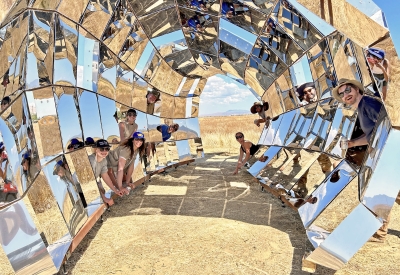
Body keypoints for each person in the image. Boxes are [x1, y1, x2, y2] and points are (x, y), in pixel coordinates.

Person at [89, 139, 124, 205]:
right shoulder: (91, 161)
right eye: (101, 149)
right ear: (96, 150)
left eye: (107, 149)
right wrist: (104, 198)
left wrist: (115, 191)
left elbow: (105, 176)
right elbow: (89, 184)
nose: (104, 151)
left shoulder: (104, 160)